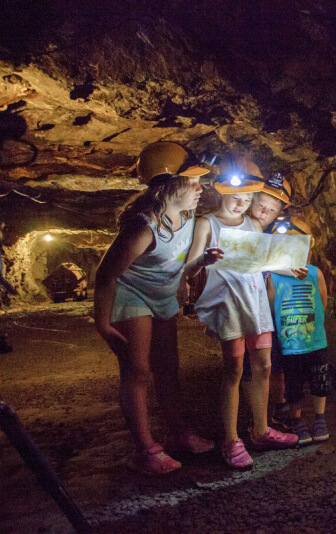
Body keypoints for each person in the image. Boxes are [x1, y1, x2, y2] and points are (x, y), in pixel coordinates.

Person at [94, 141, 217, 475]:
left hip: (163, 298)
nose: (199, 187)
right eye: (192, 181)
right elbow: (106, 276)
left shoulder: (189, 216)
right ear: (167, 185)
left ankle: (177, 433)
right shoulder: (143, 226)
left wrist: (194, 270)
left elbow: (183, 264)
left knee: (168, 368)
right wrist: (103, 324)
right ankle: (146, 450)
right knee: (137, 371)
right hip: (131, 296)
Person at [185, 157, 298, 470]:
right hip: (229, 305)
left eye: (248, 199)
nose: (242, 204)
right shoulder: (208, 223)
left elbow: (261, 261)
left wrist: (291, 267)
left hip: (256, 302)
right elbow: (188, 266)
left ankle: (260, 430)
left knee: (263, 364)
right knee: (233, 370)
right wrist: (205, 259)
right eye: (237, 197)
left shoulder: (254, 224)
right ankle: (231, 439)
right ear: (222, 192)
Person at [267, 217, 332, 445]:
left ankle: (319, 418)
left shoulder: (315, 273)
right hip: (290, 345)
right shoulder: (273, 278)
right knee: (293, 384)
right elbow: (272, 308)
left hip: (315, 341)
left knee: (319, 380)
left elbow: (322, 303)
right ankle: (296, 421)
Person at [244, 174, 302, 430]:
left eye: (272, 208)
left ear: (280, 210)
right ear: (251, 201)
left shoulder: (281, 232)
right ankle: (258, 416)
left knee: (275, 359)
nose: (264, 212)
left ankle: (277, 406)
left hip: (272, 308)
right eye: (260, 205)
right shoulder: (239, 226)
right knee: (249, 363)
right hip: (247, 305)